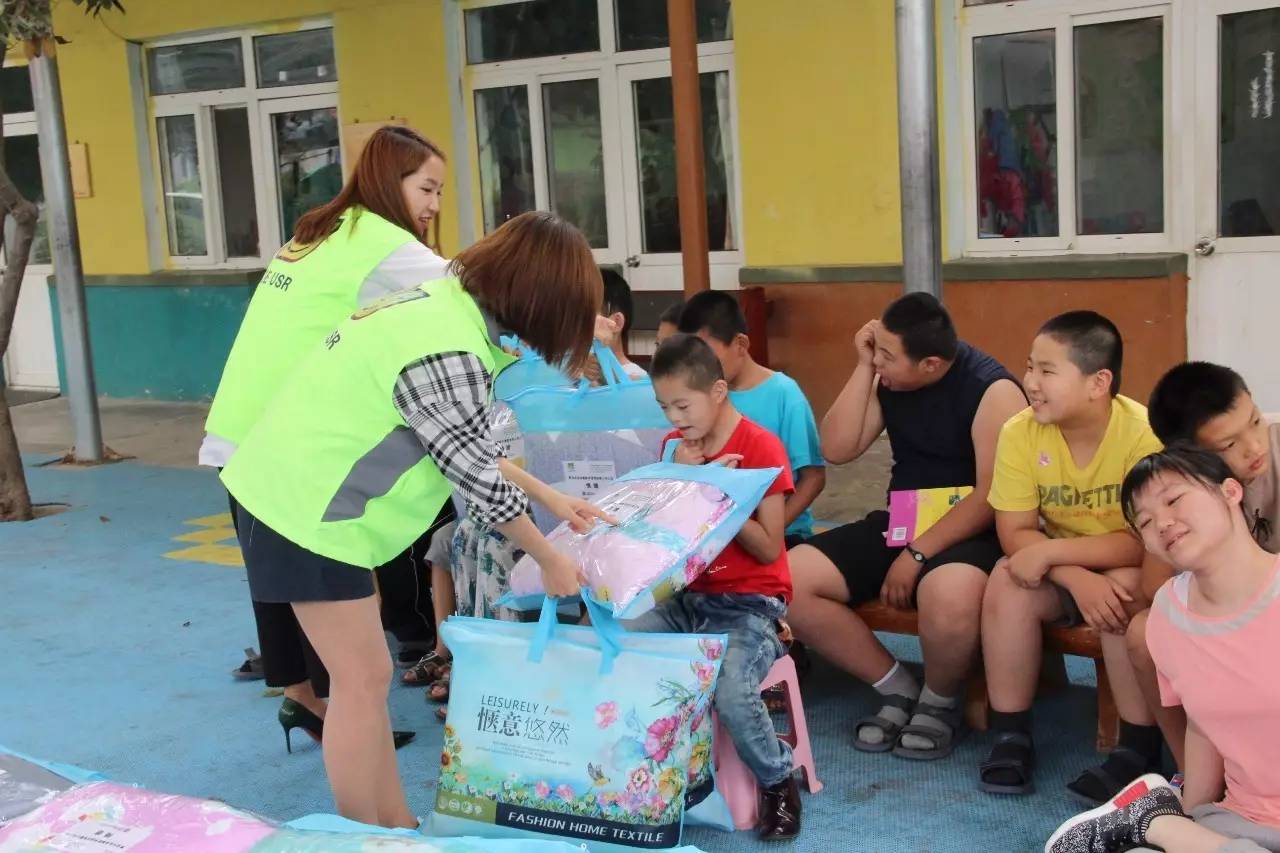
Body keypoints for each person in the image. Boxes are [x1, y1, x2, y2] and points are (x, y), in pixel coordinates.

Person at [220, 211, 606, 828]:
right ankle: (364, 834)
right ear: (540, 298)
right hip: (303, 513)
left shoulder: (439, 305)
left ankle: (395, 827)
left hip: (299, 499)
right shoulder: (447, 346)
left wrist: (552, 499)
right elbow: (476, 475)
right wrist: (550, 557)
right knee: (361, 682)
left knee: (364, 679)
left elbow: (464, 445)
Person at [203, 126, 451, 742]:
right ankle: (347, 722)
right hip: (288, 443)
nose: (435, 206)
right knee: (334, 586)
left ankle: (303, 700)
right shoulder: (381, 241)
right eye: (427, 188)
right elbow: (471, 293)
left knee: (280, 582)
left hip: (241, 428)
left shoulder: (316, 231)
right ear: (390, 182)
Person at [787, 293, 1025, 759]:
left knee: (947, 593)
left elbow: (992, 495)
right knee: (791, 580)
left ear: (932, 364)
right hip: (905, 519)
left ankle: (940, 700)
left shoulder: (992, 390)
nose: (881, 363)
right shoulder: (889, 381)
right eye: (877, 350)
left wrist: (916, 554)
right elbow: (836, 449)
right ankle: (899, 686)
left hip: (975, 528)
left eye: (888, 357)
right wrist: (864, 367)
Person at [1045, 447, 1280, 853]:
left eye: (1174, 499)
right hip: (1242, 822)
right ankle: (1167, 827)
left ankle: (1155, 824)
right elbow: (1204, 724)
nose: (1164, 523)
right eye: (1146, 522)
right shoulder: (1170, 615)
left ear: (1230, 492)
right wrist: (1194, 814)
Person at [979, 311, 1163, 799]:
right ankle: (1010, 732)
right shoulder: (1020, 432)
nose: (1030, 383)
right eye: (1029, 367)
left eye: (1046, 371)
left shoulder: (1143, 435)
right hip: (1063, 570)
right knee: (1007, 581)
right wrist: (1075, 575)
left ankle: (1137, 746)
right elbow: (1015, 532)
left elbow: (1146, 538)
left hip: (1127, 564)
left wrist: (1057, 556)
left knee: (1124, 585)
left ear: (1098, 382)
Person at [627, 333, 802, 840]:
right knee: (621, 637)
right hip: (685, 595)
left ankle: (777, 779)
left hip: (751, 602)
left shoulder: (761, 447)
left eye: (683, 404)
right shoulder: (672, 448)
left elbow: (770, 548)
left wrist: (715, 490)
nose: (674, 419)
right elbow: (664, 539)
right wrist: (674, 481)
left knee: (729, 686)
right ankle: (669, 775)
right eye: (665, 406)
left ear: (719, 391)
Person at [1124, 363, 1280, 774]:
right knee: (1144, 632)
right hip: (1229, 613)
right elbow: (1155, 583)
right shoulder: (1178, 487)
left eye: (1254, 420)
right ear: (1187, 455)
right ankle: (1190, 772)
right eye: (1229, 443)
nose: (1254, 446)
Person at [677, 290, 825, 547]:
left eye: (709, 356)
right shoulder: (696, 397)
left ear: (741, 344)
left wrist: (772, 531)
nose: (700, 368)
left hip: (781, 536)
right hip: (714, 532)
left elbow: (813, 478)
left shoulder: (784, 394)